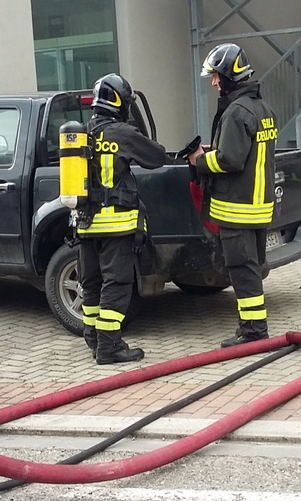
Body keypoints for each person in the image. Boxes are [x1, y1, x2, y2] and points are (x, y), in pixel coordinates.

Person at [188, 43, 277, 348]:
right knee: (252, 269)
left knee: (242, 271)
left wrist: (199, 161)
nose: (213, 82)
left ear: (228, 75)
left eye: (215, 76)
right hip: (259, 206)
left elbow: (231, 160)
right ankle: (252, 326)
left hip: (237, 209)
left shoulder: (236, 112)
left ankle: (254, 331)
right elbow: (246, 155)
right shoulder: (261, 108)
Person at [77, 73, 168, 365]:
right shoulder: (122, 133)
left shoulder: (82, 133)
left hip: (86, 224)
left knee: (91, 283)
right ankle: (109, 346)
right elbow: (156, 157)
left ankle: (93, 338)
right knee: (116, 284)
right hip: (116, 224)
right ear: (120, 102)